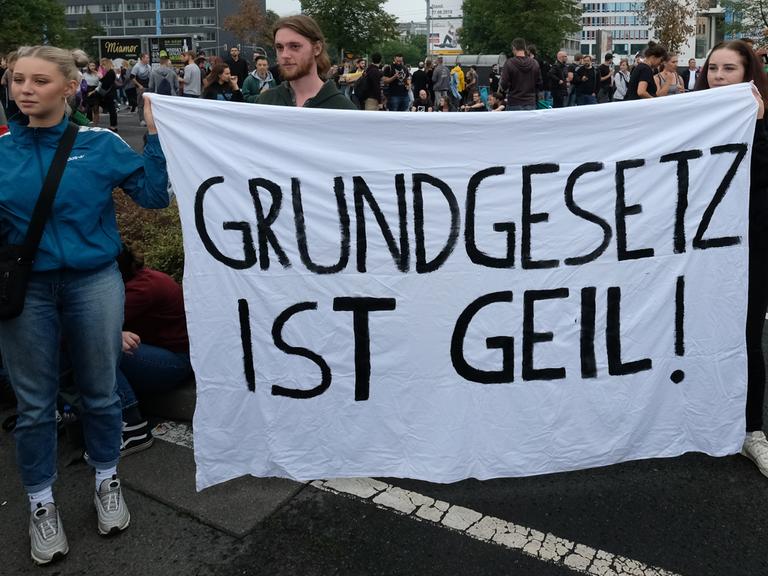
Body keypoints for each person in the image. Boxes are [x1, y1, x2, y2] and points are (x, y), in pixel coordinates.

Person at [0, 45, 169, 565]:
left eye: (38, 81)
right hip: (26, 291)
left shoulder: (100, 143)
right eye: (16, 80)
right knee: (33, 407)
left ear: (70, 86)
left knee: (99, 393)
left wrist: (157, 135)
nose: (24, 89)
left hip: (94, 282)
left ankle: (106, 479)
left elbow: (155, 197)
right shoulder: (1, 150)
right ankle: (41, 504)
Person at [695, 40, 768, 477]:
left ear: (748, 75)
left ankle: (751, 429)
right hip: (697, 249)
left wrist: (756, 125)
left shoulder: (764, 119)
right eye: (712, 69)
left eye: (729, 69)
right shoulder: (691, 117)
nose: (719, 76)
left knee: (743, 333)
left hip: (751, 244)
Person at [115, 245, 192, 455]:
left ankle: (131, 425)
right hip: (161, 353)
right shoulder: (138, 280)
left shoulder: (139, 289)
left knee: (99, 346)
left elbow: (85, 328)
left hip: (176, 361)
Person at [256, 15, 356, 110]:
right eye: (279, 47)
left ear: (317, 48)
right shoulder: (265, 102)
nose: (284, 55)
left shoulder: (343, 109)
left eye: (294, 46)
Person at [500, 38, 542, 111]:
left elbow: (504, 84)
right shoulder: (535, 63)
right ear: (525, 48)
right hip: (530, 102)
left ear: (514, 48)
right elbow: (540, 84)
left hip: (514, 102)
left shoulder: (509, 63)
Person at [130, 53, 151, 126]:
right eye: (147, 58)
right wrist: (139, 85)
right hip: (140, 87)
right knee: (141, 104)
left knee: (148, 104)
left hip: (148, 87)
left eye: (148, 58)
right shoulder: (137, 66)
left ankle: (148, 119)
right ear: (142, 58)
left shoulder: (148, 66)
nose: (148, 59)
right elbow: (132, 77)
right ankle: (142, 120)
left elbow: (150, 76)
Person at [98, 58, 118, 132]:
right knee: (112, 109)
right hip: (110, 93)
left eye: (103, 64)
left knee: (112, 110)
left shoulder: (110, 72)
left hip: (109, 93)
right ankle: (113, 125)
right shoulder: (110, 72)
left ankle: (113, 126)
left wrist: (100, 80)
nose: (102, 66)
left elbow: (106, 83)